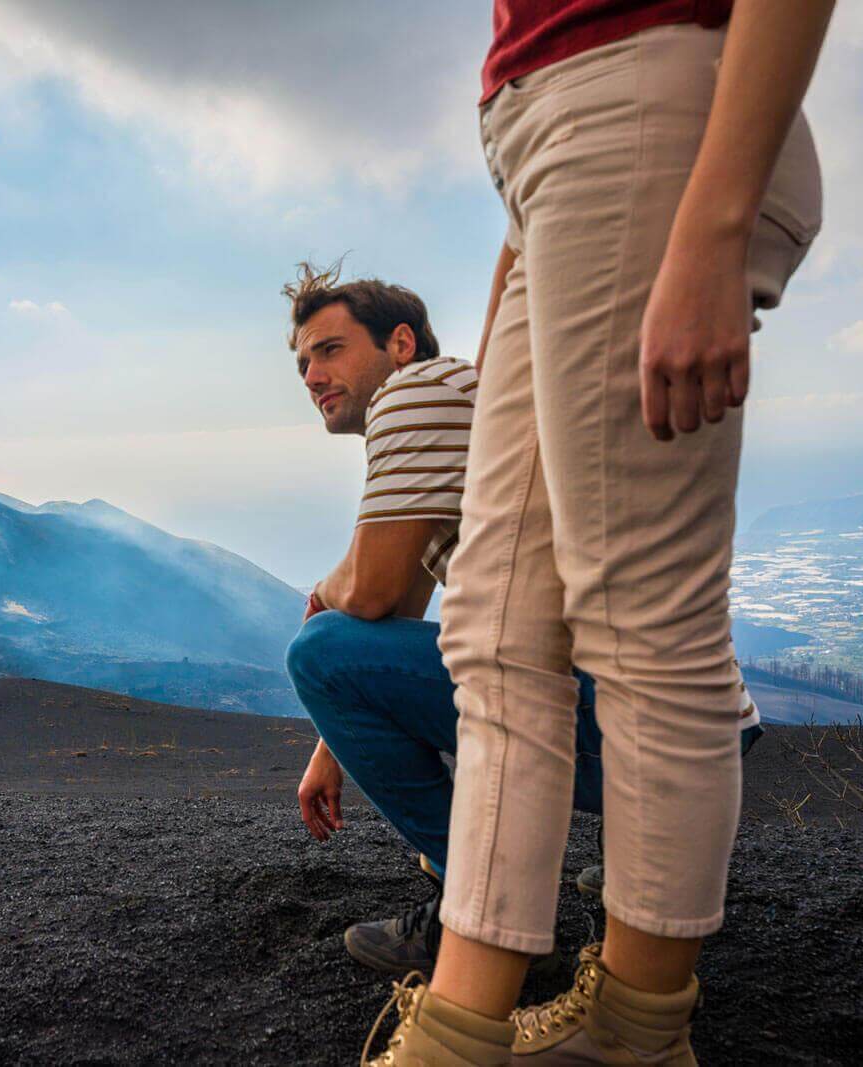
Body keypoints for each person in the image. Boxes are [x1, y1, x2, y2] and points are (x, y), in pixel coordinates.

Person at [362, 3, 831, 1065]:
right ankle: (460, 1035)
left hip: (641, 118)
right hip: (554, 163)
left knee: (639, 615)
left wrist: (713, 223)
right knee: (491, 626)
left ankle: (637, 1037)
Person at [280, 263, 760, 978]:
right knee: (347, 645)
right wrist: (331, 747)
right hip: (694, 727)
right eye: (302, 362)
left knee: (316, 649)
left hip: (623, 727)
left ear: (402, 344)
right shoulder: (461, 402)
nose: (312, 373)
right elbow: (398, 604)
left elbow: (371, 594)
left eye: (330, 349)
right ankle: (627, 867)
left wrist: (322, 595)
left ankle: (483, 908)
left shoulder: (415, 395)